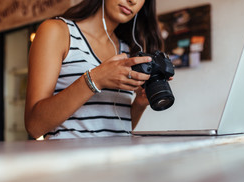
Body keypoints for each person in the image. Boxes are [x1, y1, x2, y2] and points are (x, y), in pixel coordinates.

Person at [25, 0, 164, 139]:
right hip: (69, 158)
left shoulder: (127, 51)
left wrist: (139, 104)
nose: (132, 1)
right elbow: (34, 126)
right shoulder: (57, 32)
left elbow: (116, 129)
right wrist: (95, 80)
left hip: (118, 158)